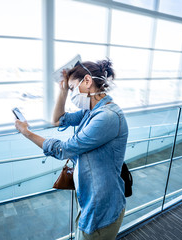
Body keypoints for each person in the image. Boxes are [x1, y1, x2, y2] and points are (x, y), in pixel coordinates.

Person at [14, 59, 128, 240]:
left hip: (101, 207)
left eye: (74, 87)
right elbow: (58, 119)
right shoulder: (90, 112)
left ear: (88, 81)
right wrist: (64, 90)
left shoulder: (107, 117)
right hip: (90, 198)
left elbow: (63, 149)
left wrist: (27, 133)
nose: (73, 92)